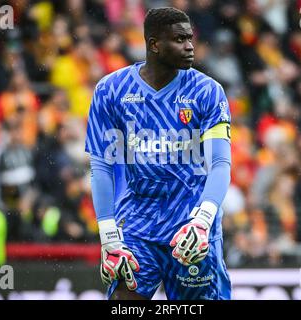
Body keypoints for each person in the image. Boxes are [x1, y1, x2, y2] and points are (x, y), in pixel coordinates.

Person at [85, 7, 232, 300]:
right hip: (138, 223)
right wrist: (108, 235)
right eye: (179, 39)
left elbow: (220, 163)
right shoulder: (111, 91)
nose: (190, 46)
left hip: (190, 224)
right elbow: (101, 166)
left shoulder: (207, 92)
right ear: (154, 44)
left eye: (190, 38)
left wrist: (202, 220)